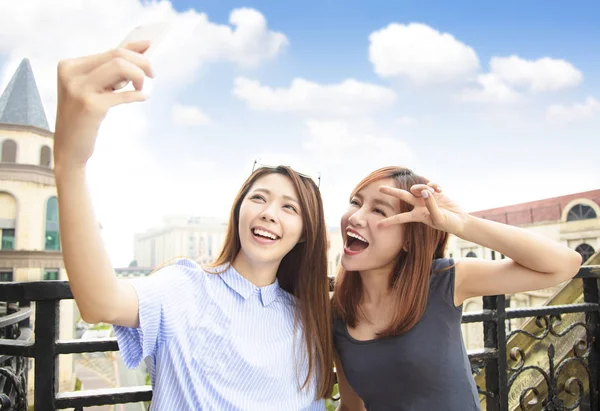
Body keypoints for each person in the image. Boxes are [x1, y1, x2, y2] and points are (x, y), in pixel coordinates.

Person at [53, 40, 334, 410]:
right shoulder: (185, 287)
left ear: (304, 235)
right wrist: (70, 165)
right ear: (238, 212)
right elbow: (100, 302)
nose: (269, 213)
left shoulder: (307, 320)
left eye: (289, 208)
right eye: (259, 198)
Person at [331, 166, 582, 411]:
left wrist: (463, 224)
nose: (355, 217)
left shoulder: (444, 280)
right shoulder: (337, 313)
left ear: (409, 239)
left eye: (378, 210)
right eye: (355, 202)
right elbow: (352, 405)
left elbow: (564, 265)